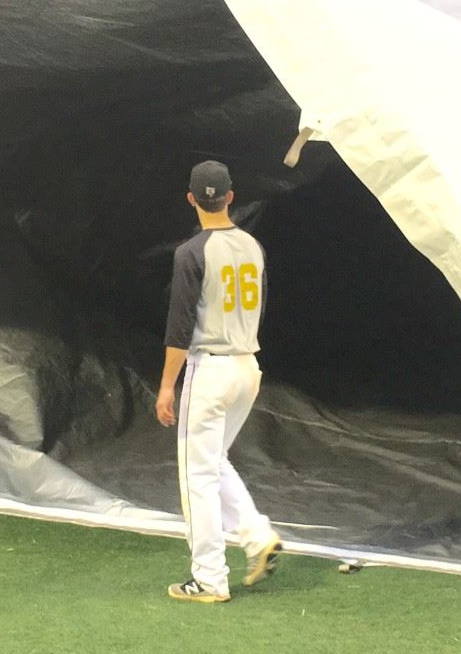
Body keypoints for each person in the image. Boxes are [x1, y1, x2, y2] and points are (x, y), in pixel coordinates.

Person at [156, 160, 282, 603]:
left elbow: (179, 325)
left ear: (192, 199)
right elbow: (261, 309)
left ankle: (209, 577)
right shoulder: (252, 246)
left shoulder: (191, 252)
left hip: (210, 369)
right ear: (231, 197)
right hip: (248, 364)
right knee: (213, 460)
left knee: (198, 479)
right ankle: (256, 535)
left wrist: (168, 385)